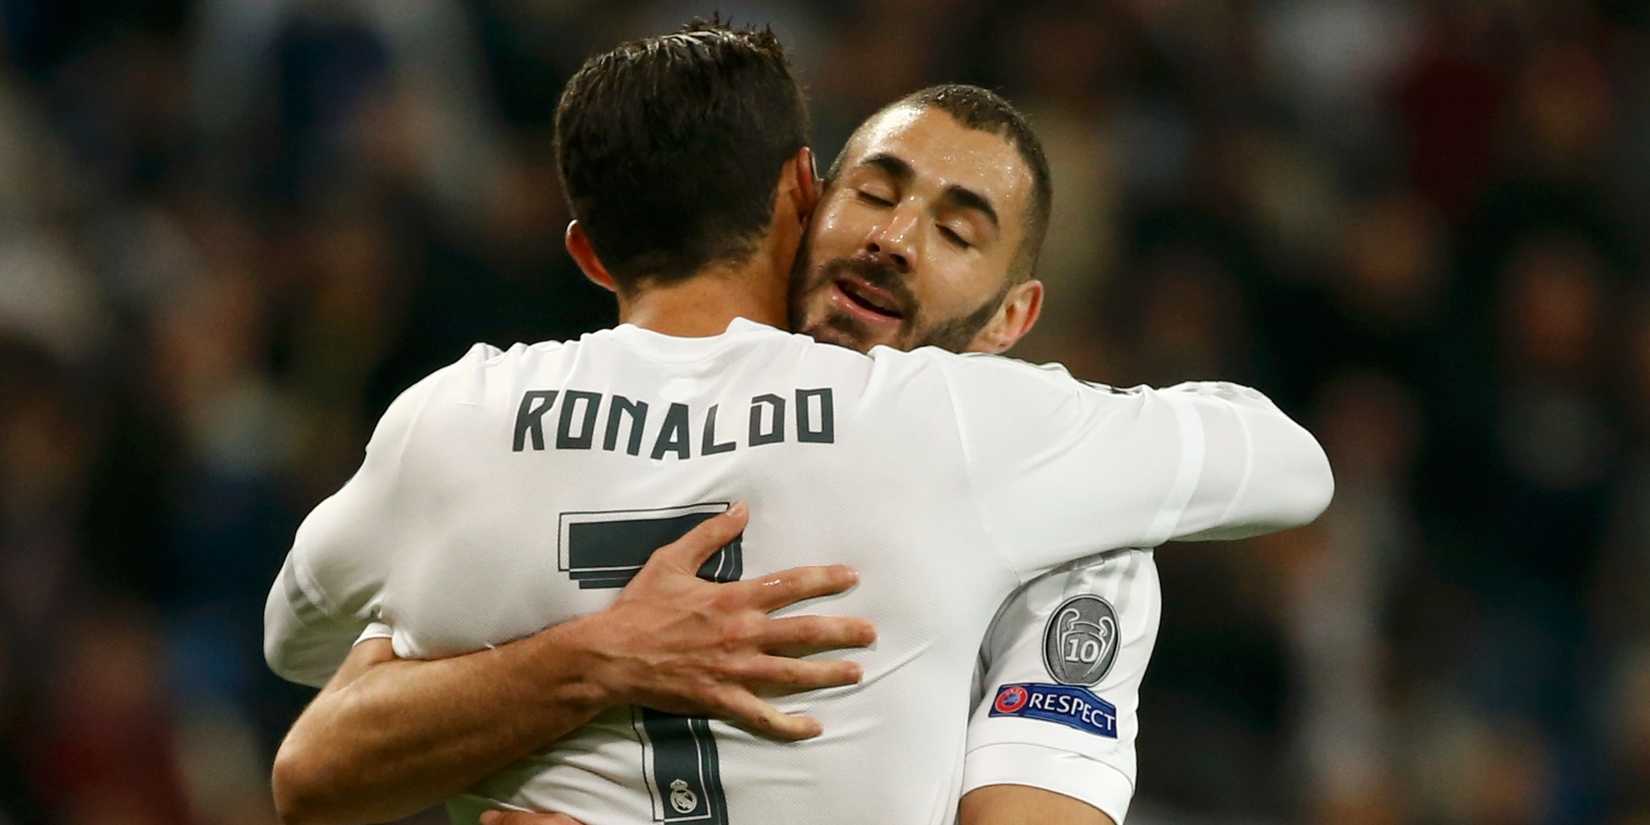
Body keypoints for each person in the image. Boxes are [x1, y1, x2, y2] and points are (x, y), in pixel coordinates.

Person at [264, 21, 1332, 825]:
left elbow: (301, 659)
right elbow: (310, 761)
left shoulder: (1055, 502)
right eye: (876, 194)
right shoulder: (962, 430)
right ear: (805, 195)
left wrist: (504, 657)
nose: (897, 240)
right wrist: (594, 656)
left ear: (1014, 318)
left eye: (958, 230)